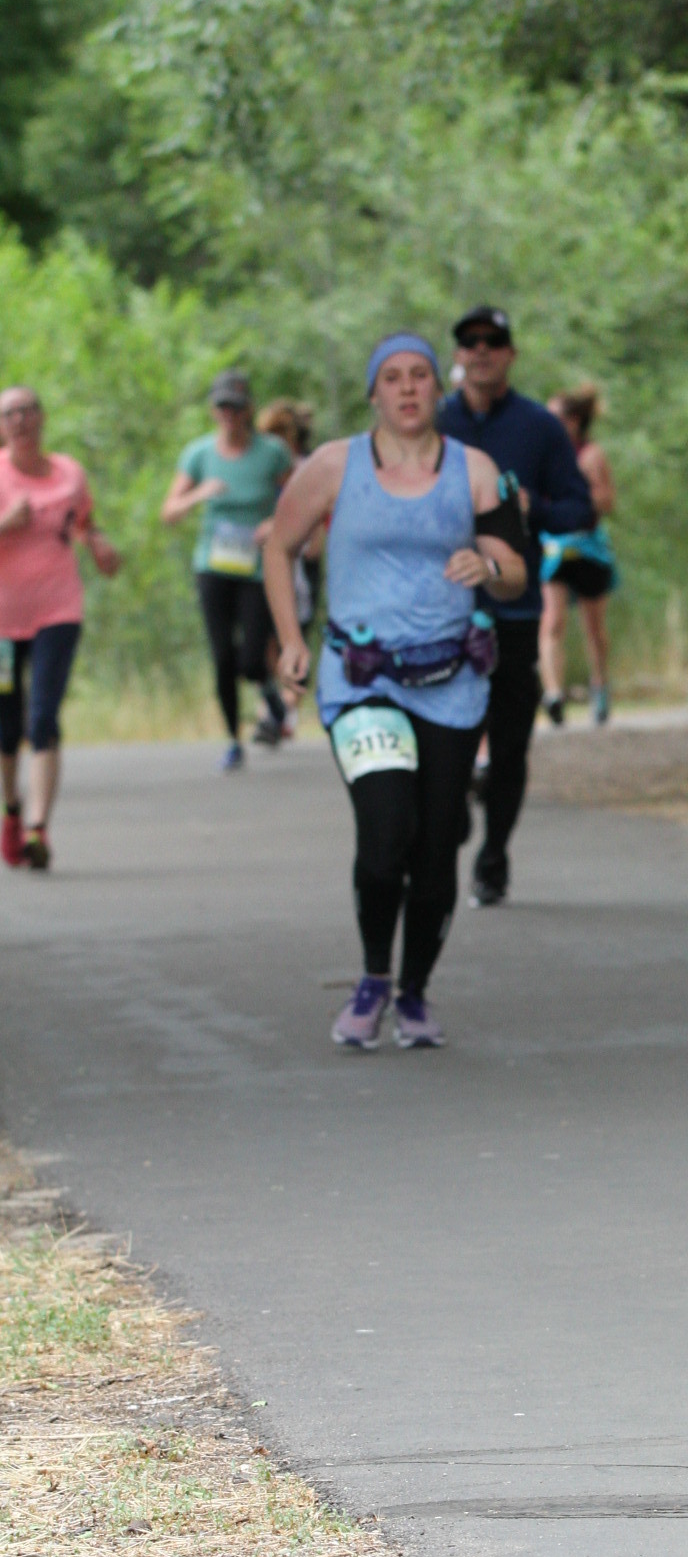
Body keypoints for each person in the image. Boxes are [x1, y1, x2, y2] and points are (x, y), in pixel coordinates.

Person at [262, 334, 527, 1050]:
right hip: (362, 680)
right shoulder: (331, 466)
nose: (407, 388)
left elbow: (515, 570)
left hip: (450, 683)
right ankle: (374, 976)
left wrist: (488, 568)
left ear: (438, 388)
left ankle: (413, 991)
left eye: (419, 376)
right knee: (386, 835)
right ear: (374, 393)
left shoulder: (476, 470)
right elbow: (278, 547)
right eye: (392, 378)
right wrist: (290, 639)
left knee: (436, 847)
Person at [437, 308, 595, 906]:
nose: (481, 350)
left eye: (493, 341)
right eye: (469, 341)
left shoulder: (539, 427)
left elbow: (581, 509)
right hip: (438, 610)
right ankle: (452, 813)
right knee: (444, 740)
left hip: (513, 609)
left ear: (510, 353)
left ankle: (494, 856)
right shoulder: (434, 422)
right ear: (458, 354)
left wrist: (534, 508)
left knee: (508, 745)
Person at [0, 384, 121, 871]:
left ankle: (38, 828)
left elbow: (84, 521)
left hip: (58, 611)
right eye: (10, 414)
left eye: (28, 410)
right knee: (6, 725)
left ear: (42, 417)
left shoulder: (70, 472)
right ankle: (12, 809)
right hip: (3, 625)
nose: (20, 420)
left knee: (43, 717)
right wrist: (6, 525)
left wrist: (98, 543)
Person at [161, 370, 294, 770]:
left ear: (248, 409)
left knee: (252, 657)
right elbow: (169, 512)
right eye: (223, 407)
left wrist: (274, 523)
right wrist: (199, 494)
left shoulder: (272, 453)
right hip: (214, 565)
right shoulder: (199, 455)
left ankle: (267, 690)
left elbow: (297, 499)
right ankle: (234, 740)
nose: (230, 415)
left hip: (257, 567)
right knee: (222, 657)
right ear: (213, 411)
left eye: (236, 408)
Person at [540, 386, 619, 726]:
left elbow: (608, 502)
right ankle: (553, 693)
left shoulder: (591, 455)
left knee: (593, 625)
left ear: (572, 421)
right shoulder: (542, 455)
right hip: (554, 547)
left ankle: (600, 685)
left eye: (553, 417)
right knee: (552, 620)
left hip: (587, 546)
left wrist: (580, 492)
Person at [257, 400, 322, 737]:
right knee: (267, 639)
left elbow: (320, 518)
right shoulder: (265, 467)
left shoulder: (310, 467)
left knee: (296, 633)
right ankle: (276, 707)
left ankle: (288, 709)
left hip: (302, 561)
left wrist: (314, 547)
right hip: (268, 559)